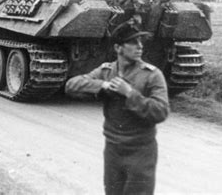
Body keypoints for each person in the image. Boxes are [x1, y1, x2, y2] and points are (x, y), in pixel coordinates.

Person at [65, 22, 169, 195]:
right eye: (133, 42)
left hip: (140, 151)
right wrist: (103, 85)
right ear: (118, 47)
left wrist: (130, 93)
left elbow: (161, 111)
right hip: (113, 149)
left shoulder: (151, 75)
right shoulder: (106, 71)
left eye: (140, 42)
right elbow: (71, 85)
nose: (140, 46)